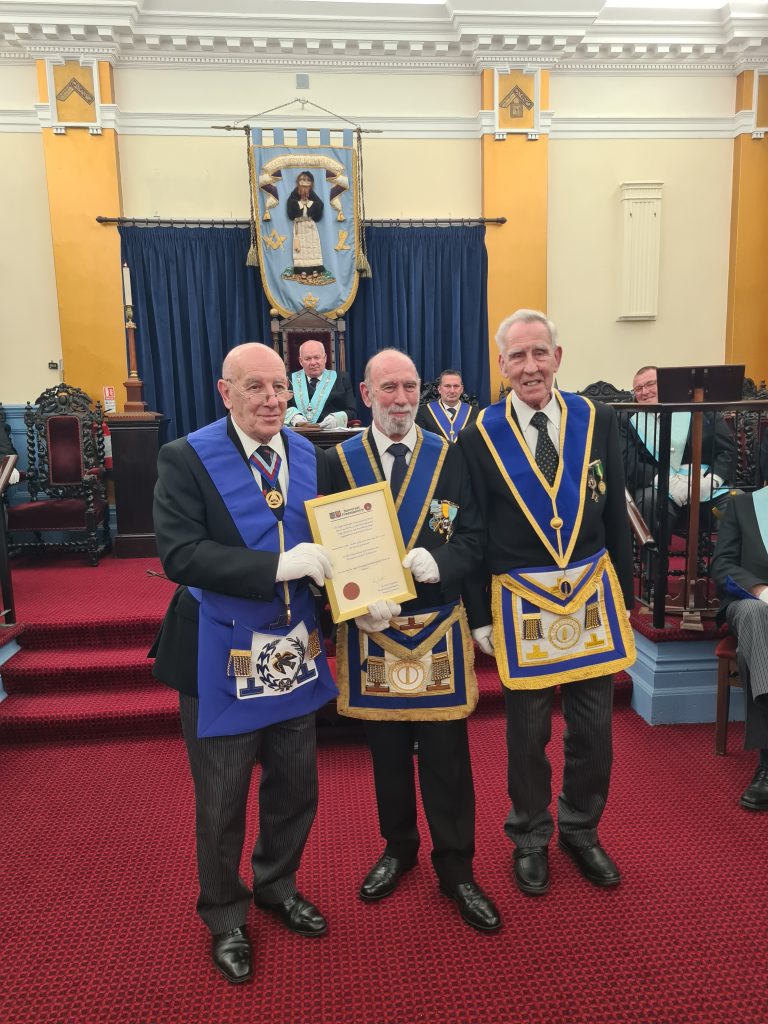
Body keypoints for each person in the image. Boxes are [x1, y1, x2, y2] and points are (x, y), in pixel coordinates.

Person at [150, 342, 338, 985]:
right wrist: (275, 566)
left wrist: (358, 595)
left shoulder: (312, 455)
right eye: (255, 387)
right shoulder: (186, 457)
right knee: (221, 800)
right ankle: (225, 914)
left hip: (294, 649)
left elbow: (335, 544)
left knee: (296, 786)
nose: (272, 399)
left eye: (280, 386)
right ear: (225, 391)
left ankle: (277, 885)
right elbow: (180, 554)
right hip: (219, 649)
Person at [325, 348, 501, 933]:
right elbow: (322, 549)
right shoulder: (338, 461)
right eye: (389, 388)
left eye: (409, 387)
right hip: (370, 630)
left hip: (436, 628)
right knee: (387, 756)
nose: (401, 399)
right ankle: (398, 848)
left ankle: (457, 867)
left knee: (448, 760)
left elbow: (473, 538)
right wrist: (348, 605)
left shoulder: (449, 456)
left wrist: (441, 563)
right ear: (366, 393)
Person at [460, 310, 635, 897]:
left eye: (540, 353)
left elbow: (615, 512)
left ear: (558, 357)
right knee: (527, 736)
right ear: (501, 365)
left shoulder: (597, 418)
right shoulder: (479, 435)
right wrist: (479, 616)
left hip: (591, 596)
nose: (530, 366)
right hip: (521, 605)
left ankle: (581, 829)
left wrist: (626, 593)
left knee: (594, 730)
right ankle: (531, 835)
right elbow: (472, 529)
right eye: (518, 356)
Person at [622, 364, 736, 531]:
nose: (644, 392)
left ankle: (722, 550)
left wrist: (711, 482)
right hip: (658, 489)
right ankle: (654, 549)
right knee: (648, 502)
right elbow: (629, 463)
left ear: (666, 385)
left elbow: (727, 450)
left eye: (650, 384)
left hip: (707, 487)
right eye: (638, 388)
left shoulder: (701, 409)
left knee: (736, 506)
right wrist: (667, 482)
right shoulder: (628, 419)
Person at [711, 487, 768, 811]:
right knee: (756, 616)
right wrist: (761, 591)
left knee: (754, 651)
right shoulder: (744, 505)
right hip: (751, 604)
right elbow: (722, 565)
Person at [284, 338, 357, 430]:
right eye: (308, 359)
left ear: (325, 358)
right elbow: (279, 407)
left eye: (317, 357)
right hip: (297, 434)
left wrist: (337, 418)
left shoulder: (342, 379)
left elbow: (352, 411)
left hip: (331, 434)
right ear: (301, 361)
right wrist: (293, 416)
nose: (313, 363)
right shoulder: (288, 380)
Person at [285, 171, 328, 281]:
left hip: (310, 225)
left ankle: (315, 268)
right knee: (301, 249)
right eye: (303, 180)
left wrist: (309, 204)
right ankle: (302, 270)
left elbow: (319, 205)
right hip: (299, 226)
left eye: (308, 180)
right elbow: (291, 207)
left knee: (313, 246)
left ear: (311, 183)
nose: (305, 182)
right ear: (298, 182)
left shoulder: (312, 195)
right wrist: (300, 204)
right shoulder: (294, 195)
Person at [416, 368, 478, 443]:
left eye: (456, 386)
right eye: (447, 386)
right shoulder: (423, 412)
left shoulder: (475, 413)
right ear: (439, 389)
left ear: (461, 389)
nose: (452, 391)